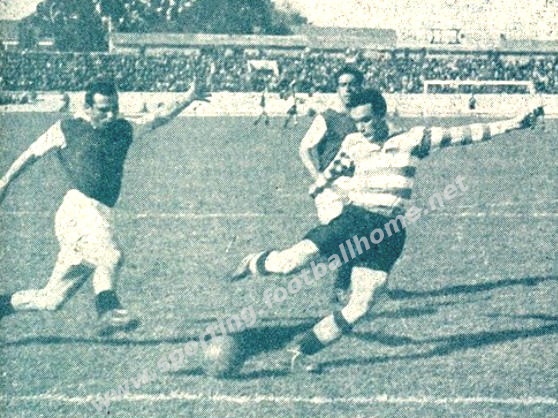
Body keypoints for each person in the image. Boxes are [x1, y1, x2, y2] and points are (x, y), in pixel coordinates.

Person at [226, 88, 544, 373]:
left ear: (382, 114)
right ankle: (253, 261)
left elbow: (467, 133)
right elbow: (336, 167)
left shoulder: (413, 140)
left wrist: (514, 123)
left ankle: (301, 351)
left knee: (362, 304)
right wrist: (320, 185)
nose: (361, 127)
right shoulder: (353, 142)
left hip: (390, 231)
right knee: (289, 264)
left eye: (366, 120)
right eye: (356, 122)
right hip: (354, 220)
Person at [0, 78, 205, 336]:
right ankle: (108, 311)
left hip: (100, 214)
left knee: (51, 299)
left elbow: (158, 118)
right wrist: (5, 181)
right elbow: (31, 154)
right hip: (78, 209)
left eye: (114, 108)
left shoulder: (123, 128)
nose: (110, 115)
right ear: (87, 107)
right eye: (103, 109)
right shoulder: (67, 127)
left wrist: (188, 97)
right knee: (111, 256)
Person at [298, 66, 363, 302]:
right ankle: (335, 279)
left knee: (356, 238)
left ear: (360, 87)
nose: (348, 89)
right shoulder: (327, 117)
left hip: (358, 185)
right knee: (340, 239)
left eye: (352, 84)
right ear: (337, 88)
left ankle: (341, 286)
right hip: (331, 188)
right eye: (343, 85)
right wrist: (318, 177)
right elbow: (304, 148)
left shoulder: (363, 118)